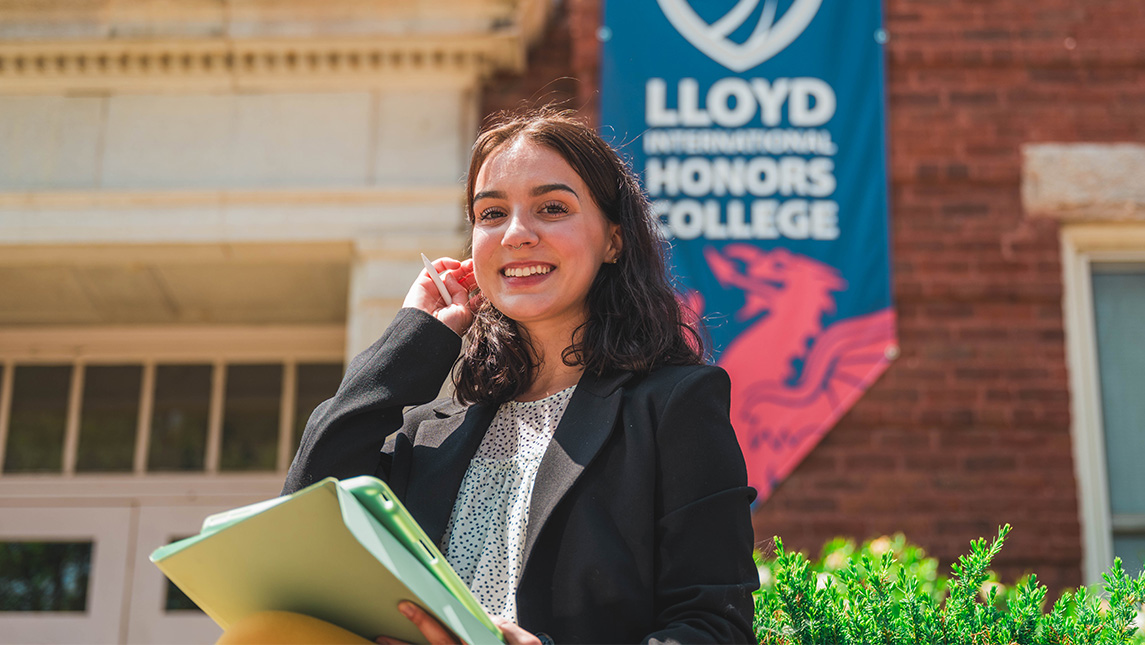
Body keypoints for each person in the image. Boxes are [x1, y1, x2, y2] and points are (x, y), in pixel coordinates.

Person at [278, 110, 758, 644]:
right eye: (491, 213)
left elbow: (715, 627)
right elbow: (306, 509)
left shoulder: (675, 406)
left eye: (552, 208)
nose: (517, 234)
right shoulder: (429, 433)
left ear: (613, 241)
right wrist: (415, 339)